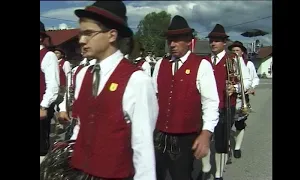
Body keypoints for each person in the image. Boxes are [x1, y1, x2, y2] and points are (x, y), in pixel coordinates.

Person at [58, 1, 158, 179]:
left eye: (89, 33)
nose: (81, 40)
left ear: (112, 35)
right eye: (81, 34)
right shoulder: (83, 75)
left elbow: (143, 146)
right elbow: (81, 126)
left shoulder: (137, 80)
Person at [152, 15, 220, 180]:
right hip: (159, 135)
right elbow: (153, 97)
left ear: (189, 41)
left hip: (185, 136)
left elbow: (211, 102)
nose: (172, 44)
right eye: (170, 40)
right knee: (156, 175)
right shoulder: (161, 64)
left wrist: (206, 133)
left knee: (181, 175)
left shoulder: (201, 65)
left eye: (177, 40)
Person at [202, 24, 252, 180]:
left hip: (226, 106)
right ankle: (205, 168)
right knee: (205, 138)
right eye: (211, 40)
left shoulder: (233, 59)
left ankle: (218, 175)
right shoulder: (204, 60)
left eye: (217, 41)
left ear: (224, 43)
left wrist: (235, 87)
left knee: (222, 143)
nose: (213, 43)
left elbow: (247, 80)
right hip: (206, 107)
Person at [228, 41, 259, 158]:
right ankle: (227, 147)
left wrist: (252, 87)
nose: (235, 53)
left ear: (242, 52)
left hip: (242, 98)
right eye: (233, 51)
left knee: (240, 124)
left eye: (237, 51)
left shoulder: (248, 64)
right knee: (227, 125)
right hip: (230, 98)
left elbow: (254, 78)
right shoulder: (229, 63)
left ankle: (237, 147)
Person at [40, 21, 60, 163]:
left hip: (40, 107)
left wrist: (44, 106)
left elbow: (53, 85)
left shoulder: (48, 56)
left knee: (41, 148)